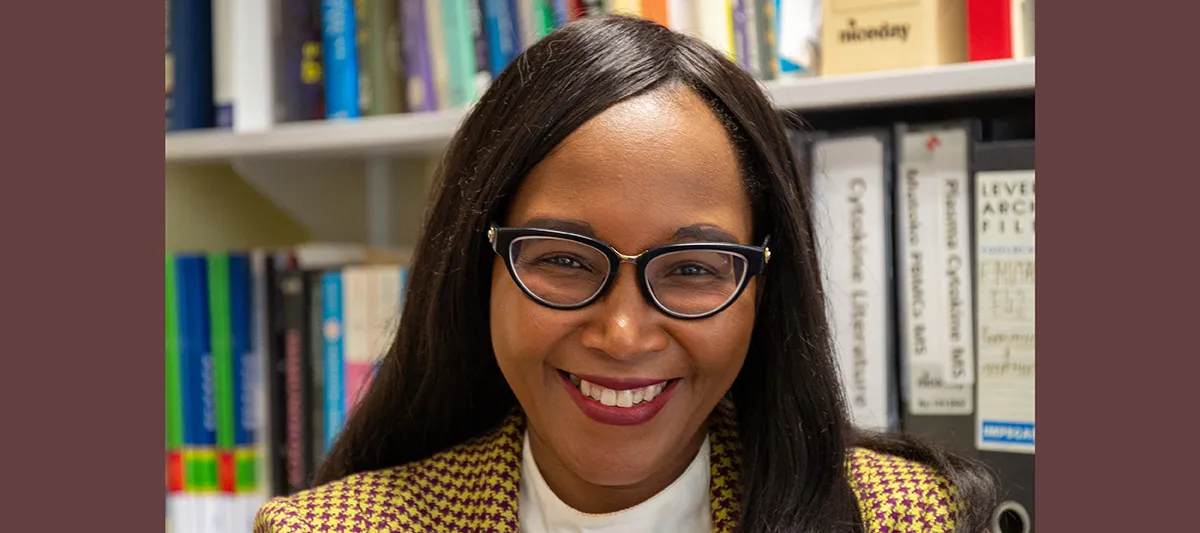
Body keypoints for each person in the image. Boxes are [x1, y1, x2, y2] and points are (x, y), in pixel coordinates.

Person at [254, 14, 998, 533]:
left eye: (693, 270)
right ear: (480, 269)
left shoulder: (904, 517)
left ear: (764, 289)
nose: (622, 332)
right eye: (566, 261)